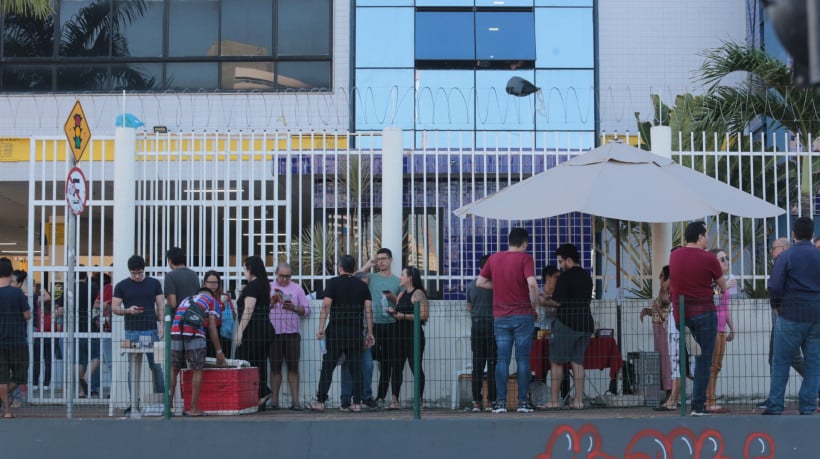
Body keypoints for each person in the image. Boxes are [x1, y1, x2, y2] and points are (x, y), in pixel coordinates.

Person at [477, 227, 539, 414]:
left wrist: (500, 285)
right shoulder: (525, 258)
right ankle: (522, 403)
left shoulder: (494, 258)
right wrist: (534, 306)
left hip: (500, 317)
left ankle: (501, 403)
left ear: (509, 241)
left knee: (501, 360)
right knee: (522, 360)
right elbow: (533, 284)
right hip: (522, 316)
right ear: (524, 243)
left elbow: (480, 282)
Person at [764, 217, 820, 415]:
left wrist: (776, 306)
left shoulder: (786, 257)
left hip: (790, 315)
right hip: (816, 316)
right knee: (814, 363)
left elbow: (775, 285)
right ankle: (807, 406)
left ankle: (776, 405)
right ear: (812, 234)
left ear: (794, 235)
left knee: (781, 361)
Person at [669, 221, 726, 417]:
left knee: (688, 355)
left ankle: (685, 332)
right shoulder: (708, 258)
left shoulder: (674, 255)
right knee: (703, 360)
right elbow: (723, 286)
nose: (708, 238)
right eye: (706, 235)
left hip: (681, 313)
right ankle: (698, 405)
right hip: (704, 311)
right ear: (700, 237)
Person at [307, 255, 374, 412]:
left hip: (336, 331)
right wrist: (369, 333)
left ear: (340, 267)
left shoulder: (333, 283)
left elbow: (326, 306)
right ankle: (356, 403)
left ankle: (321, 401)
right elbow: (369, 310)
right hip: (355, 332)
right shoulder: (362, 286)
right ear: (353, 267)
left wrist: (321, 327)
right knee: (355, 366)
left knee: (328, 366)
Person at [343, 248, 400, 410]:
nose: (381, 262)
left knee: (387, 363)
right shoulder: (371, 277)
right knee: (365, 363)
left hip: (390, 325)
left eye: (384, 259)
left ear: (390, 260)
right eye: (378, 259)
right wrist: (367, 265)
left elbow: (403, 304)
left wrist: (392, 298)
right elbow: (352, 279)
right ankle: (360, 396)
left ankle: (380, 396)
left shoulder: (397, 281)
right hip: (370, 326)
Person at [540, 243, 593, 411]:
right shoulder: (587, 276)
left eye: (561, 261)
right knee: (577, 362)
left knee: (556, 362)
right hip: (585, 324)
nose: (560, 265)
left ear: (569, 260)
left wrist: (542, 301)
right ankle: (578, 401)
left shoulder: (565, 277)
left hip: (566, 324)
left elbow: (557, 301)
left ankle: (554, 401)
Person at [111, 255, 166, 415]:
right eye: (134, 273)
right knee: (133, 367)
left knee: (156, 366)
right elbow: (114, 307)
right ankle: (133, 402)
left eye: (140, 273)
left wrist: (161, 324)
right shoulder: (121, 286)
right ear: (129, 271)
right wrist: (128, 310)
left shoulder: (154, 283)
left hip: (151, 328)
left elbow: (161, 305)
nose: (137, 276)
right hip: (131, 330)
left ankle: (161, 401)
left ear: (144, 270)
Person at [169, 288, 226, 416]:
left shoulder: (186, 299)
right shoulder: (212, 301)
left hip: (175, 330)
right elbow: (212, 326)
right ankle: (193, 409)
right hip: (194, 332)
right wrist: (219, 351)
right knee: (197, 369)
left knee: (173, 369)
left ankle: (168, 407)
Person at [268, 262, 310, 411]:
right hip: (274, 334)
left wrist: (294, 307)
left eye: (287, 276)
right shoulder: (269, 288)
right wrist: (271, 303)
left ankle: (296, 402)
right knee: (275, 368)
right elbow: (260, 308)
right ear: (276, 274)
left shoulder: (297, 288)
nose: (285, 279)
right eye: (281, 276)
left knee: (293, 368)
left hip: (292, 334)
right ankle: (274, 402)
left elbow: (306, 310)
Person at [386, 266, 430, 408]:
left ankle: (419, 400)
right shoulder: (401, 294)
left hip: (414, 336)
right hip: (399, 335)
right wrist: (392, 312)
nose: (400, 277)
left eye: (403, 274)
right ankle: (394, 400)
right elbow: (399, 312)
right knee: (396, 367)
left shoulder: (418, 294)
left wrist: (404, 316)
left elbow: (423, 315)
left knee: (415, 367)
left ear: (410, 277)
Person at [234, 255, 273, 409]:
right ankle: (260, 394)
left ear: (250, 269)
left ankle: (262, 392)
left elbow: (249, 309)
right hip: (263, 330)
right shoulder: (263, 285)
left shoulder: (252, 287)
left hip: (253, 331)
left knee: (246, 363)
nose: (244, 272)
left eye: (244, 268)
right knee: (259, 363)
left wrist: (240, 331)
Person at [705, 248, 737, 413]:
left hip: (722, 328)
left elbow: (726, 307)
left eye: (726, 258)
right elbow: (715, 301)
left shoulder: (724, 280)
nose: (725, 261)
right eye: (722, 259)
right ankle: (709, 400)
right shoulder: (713, 282)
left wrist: (732, 328)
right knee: (711, 365)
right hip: (713, 327)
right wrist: (724, 286)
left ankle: (711, 397)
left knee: (717, 366)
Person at [0, 260, 31, 418]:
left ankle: (6, 410)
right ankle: (5, 406)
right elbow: (27, 315)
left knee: (2, 377)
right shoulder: (17, 293)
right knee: (20, 375)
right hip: (17, 340)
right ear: (10, 273)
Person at [466, 255, 497, 412]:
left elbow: (469, 307)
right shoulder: (496, 286)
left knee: (477, 365)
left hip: (477, 326)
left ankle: (476, 401)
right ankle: (492, 401)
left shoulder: (471, 285)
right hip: (493, 326)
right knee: (492, 364)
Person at [640, 266, 673, 404]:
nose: (659, 277)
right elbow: (658, 308)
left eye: (662, 275)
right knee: (661, 359)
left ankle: (670, 391)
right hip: (658, 328)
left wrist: (665, 286)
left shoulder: (668, 289)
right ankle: (667, 390)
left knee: (666, 359)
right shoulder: (662, 290)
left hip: (664, 328)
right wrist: (648, 311)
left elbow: (666, 303)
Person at [74, 270, 100, 398]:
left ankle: (81, 391)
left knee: (79, 360)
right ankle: (85, 378)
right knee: (96, 356)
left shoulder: (70, 290)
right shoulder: (93, 288)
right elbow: (98, 304)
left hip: (74, 328)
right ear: (86, 276)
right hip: (90, 327)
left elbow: (60, 309)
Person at [203, 271, 234, 358]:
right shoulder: (202, 296)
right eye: (210, 282)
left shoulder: (224, 296)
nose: (213, 285)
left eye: (215, 282)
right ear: (205, 283)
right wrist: (220, 306)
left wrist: (224, 304)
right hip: (206, 331)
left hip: (223, 331)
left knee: (223, 359)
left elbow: (233, 315)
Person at [91, 272, 112, 397]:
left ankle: (112, 390)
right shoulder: (106, 288)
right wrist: (103, 305)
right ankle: (111, 390)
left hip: (113, 327)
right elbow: (95, 304)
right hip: (106, 328)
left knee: (112, 361)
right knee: (110, 361)